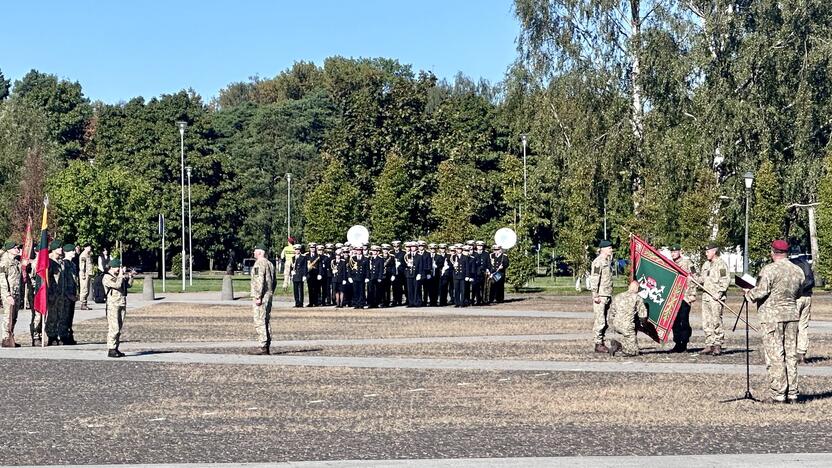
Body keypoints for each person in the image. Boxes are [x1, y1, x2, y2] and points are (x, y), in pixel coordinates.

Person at [744, 240, 805, 403]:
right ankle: (793, 393)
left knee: (775, 355)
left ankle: (779, 393)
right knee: (791, 355)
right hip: (792, 315)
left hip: (772, 318)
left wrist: (748, 294)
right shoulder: (798, 270)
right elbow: (799, 293)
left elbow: (761, 291)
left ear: (773, 252)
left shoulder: (769, 270)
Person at [696, 242, 730, 356]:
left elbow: (725, 280)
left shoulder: (721, 264)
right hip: (706, 296)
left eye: (708, 251)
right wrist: (693, 277)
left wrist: (719, 293)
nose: (706, 254)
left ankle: (717, 345)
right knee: (707, 321)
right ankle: (709, 343)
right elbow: (702, 279)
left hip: (716, 298)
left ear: (714, 251)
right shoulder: (706, 264)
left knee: (716, 320)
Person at [101, 258, 135, 358]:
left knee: (119, 327)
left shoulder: (118, 276)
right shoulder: (107, 277)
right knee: (114, 327)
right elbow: (117, 284)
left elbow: (128, 285)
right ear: (111, 267)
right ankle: (111, 348)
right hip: (113, 305)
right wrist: (121, 274)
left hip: (121, 303)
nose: (118, 269)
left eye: (119, 267)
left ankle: (116, 347)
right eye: (116, 267)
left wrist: (130, 276)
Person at [607, 281, 649, 357]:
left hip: (616, 325)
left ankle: (624, 344)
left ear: (629, 287)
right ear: (637, 288)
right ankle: (618, 346)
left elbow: (612, 313)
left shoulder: (618, 296)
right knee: (633, 352)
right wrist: (645, 326)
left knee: (628, 339)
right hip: (627, 327)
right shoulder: (637, 298)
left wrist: (613, 324)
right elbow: (643, 316)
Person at [588, 240, 614, 353]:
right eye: (609, 248)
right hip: (600, 295)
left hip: (606, 294)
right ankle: (598, 343)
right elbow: (595, 278)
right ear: (603, 249)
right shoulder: (598, 262)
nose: (611, 250)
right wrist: (595, 294)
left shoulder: (606, 261)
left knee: (605, 321)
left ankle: (601, 341)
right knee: (600, 321)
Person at [249, 245, 275, 355]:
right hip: (268, 295)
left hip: (261, 296)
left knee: (259, 320)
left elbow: (258, 281)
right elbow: (274, 281)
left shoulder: (259, 264)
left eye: (255, 251)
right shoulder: (270, 264)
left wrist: (258, 296)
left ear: (260, 252)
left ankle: (262, 345)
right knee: (266, 320)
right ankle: (267, 344)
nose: (254, 253)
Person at [670, 243, 696, 353]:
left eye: (675, 251)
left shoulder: (687, 262)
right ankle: (677, 342)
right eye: (671, 252)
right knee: (674, 321)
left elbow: (693, 278)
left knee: (684, 320)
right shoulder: (670, 264)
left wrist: (692, 294)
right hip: (674, 298)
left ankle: (684, 342)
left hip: (685, 296)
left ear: (679, 252)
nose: (673, 254)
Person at [790, 254, 814, 363]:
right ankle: (802, 352)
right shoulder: (806, 264)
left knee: (792, 325)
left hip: (797, 298)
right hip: (808, 297)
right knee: (803, 325)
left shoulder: (793, 264)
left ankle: (791, 352)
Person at [0, 241, 22, 348]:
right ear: (9, 250)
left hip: (16, 292)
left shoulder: (16, 262)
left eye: (17, 247)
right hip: (8, 293)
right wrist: (7, 295)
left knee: (14, 316)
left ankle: (11, 336)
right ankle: (5, 338)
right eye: (15, 248)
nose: (17, 249)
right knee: (8, 315)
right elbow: (2, 280)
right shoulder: (4, 262)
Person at [45, 240, 65, 346]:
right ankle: (51, 336)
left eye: (61, 247)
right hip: (52, 292)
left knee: (59, 315)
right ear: (53, 249)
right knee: (52, 315)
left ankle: (56, 334)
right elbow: (47, 279)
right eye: (58, 247)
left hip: (60, 293)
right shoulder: (49, 261)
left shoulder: (61, 261)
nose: (61, 249)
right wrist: (50, 293)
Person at [60, 243, 79, 345]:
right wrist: (68, 294)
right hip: (66, 295)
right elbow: (64, 280)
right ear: (67, 252)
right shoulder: (64, 264)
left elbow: (74, 280)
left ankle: (68, 334)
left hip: (72, 294)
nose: (74, 252)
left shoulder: (72, 264)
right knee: (65, 316)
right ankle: (63, 335)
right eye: (72, 251)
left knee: (70, 316)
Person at [78, 245, 93, 310]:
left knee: (87, 289)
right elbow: (82, 266)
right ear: (85, 248)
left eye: (90, 247)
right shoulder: (83, 255)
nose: (90, 248)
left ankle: (85, 303)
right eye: (88, 247)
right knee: (84, 289)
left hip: (88, 274)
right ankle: (83, 304)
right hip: (84, 274)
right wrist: (83, 274)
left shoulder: (88, 254)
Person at [391, 241, 406, 306]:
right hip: (393, 272)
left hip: (401, 272)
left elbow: (406, 262)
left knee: (400, 287)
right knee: (394, 287)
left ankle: (400, 300)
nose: (396, 248)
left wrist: (400, 264)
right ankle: (395, 300)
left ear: (399, 246)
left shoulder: (403, 253)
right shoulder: (391, 253)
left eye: (397, 246)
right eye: (394, 246)